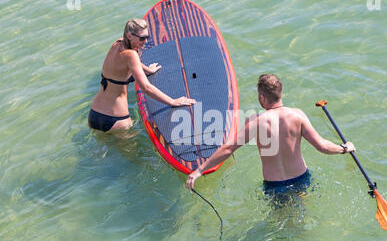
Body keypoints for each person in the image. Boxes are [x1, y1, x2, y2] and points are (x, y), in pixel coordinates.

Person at [185, 74, 355, 197]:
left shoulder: (255, 122)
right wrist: (344, 148)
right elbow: (322, 146)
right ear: (281, 94)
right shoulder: (298, 115)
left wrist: (198, 171)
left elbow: (228, 148)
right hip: (302, 178)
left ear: (262, 97)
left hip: (275, 186)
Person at [89, 19, 195, 132]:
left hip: (94, 114)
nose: (145, 41)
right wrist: (173, 102)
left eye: (147, 37)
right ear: (129, 35)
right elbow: (146, 87)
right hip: (117, 119)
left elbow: (132, 62)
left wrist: (147, 70)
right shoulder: (131, 55)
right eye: (142, 38)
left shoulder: (117, 44)